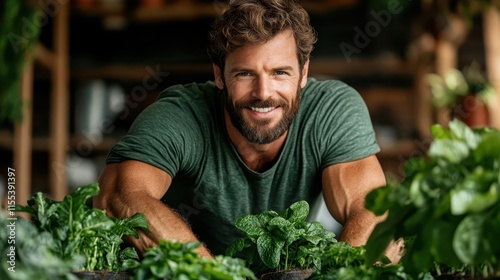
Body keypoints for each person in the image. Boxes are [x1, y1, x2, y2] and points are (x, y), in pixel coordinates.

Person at [94, 0, 402, 263]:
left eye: (280, 73)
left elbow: (375, 214)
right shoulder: (180, 114)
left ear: (303, 73)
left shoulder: (332, 110)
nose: (263, 92)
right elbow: (119, 196)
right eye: (244, 73)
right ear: (219, 75)